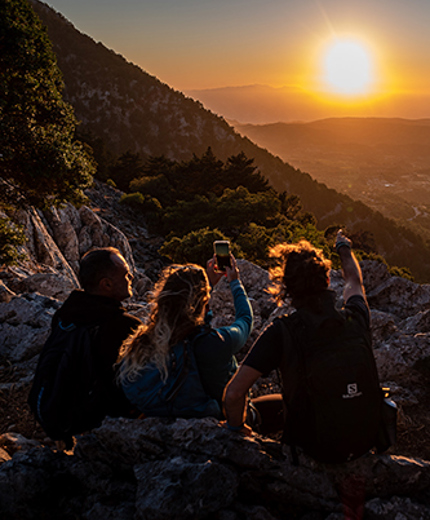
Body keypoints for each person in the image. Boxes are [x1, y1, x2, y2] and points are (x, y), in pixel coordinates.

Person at [222, 230, 381, 462]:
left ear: (286, 287)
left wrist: (237, 430)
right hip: (365, 441)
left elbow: (234, 394)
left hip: (314, 449)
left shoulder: (282, 331)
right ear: (326, 280)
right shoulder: (355, 317)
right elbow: (354, 281)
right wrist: (343, 248)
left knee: (261, 407)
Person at [117, 254, 253, 416]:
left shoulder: (145, 339)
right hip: (208, 420)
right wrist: (234, 282)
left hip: (155, 416)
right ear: (204, 302)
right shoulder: (215, 342)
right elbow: (245, 320)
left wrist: (207, 285)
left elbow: (182, 304)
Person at [50, 247, 142, 424]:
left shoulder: (64, 316)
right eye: (125, 274)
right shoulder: (125, 326)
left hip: (63, 411)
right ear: (106, 284)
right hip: (104, 419)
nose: (131, 278)